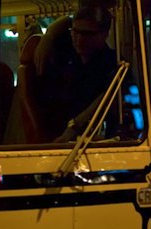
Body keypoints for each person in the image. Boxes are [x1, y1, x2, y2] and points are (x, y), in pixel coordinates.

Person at [35, 6, 118, 141]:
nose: (79, 40)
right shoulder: (63, 52)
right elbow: (67, 20)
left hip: (84, 141)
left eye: (87, 34)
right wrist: (48, 37)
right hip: (50, 137)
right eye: (75, 32)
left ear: (104, 34)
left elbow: (106, 99)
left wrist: (72, 129)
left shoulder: (113, 65)